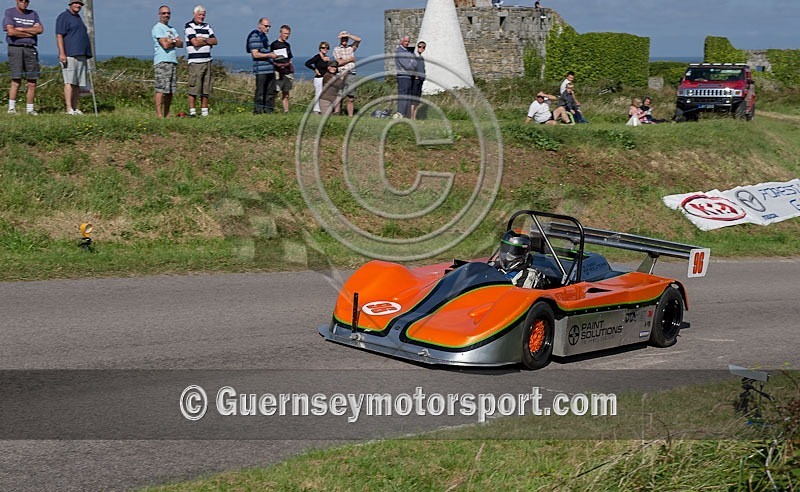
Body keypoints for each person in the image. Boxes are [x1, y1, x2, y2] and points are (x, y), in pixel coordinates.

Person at [4, 0, 43, 115]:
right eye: (21, 0)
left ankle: (30, 109)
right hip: (15, 48)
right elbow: (11, 32)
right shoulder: (9, 12)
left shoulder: (33, 14)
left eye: (26, 1)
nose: (24, 2)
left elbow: (40, 30)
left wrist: (21, 29)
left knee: (32, 80)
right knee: (16, 79)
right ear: (17, 1)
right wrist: (31, 32)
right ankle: (11, 108)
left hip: (30, 48)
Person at [56, 0, 92, 116]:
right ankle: (69, 108)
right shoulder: (64, 16)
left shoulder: (77, 18)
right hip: (69, 54)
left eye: (80, 4)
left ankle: (75, 107)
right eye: (76, 3)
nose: (78, 6)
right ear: (70, 4)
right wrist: (62, 53)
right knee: (69, 82)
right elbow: (59, 35)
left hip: (81, 54)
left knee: (77, 83)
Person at [184, 5, 217, 117]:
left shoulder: (207, 26)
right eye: (200, 14)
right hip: (195, 61)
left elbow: (215, 41)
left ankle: (204, 111)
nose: (202, 17)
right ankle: (192, 112)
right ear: (194, 14)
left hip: (207, 60)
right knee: (194, 87)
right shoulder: (189, 26)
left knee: (206, 87)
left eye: (203, 15)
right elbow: (195, 43)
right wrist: (208, 41)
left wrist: (204, 40)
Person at [152, 5, 183, 118]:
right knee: (161, 89)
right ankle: (159, 114)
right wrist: (174, 41)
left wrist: (172, 41)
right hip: (162, 61)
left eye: (168, 13)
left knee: (170, 90)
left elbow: (181, 44)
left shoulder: (172, 29)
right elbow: (165, 45)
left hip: (172, 61)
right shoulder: (157, 28)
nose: (166, 15)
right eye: (164, 13)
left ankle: (167, 113)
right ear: (159, 14)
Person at [247, 17, 277, 114]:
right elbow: (255, 54)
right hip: (261, 70)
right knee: (260, 91)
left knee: (270, 92)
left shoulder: (264, 37)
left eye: (269, 26)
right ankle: (258, 111)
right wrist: (269, 55)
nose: (268, 28)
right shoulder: (255, 36)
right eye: (266, 26)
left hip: (269, 68)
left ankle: (268, 111)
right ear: (260, 25)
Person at [332, 30, 360, 117]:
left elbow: (358, 40)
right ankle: (337, 113)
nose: (344, 40)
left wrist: (348, 35)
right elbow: (339, 62)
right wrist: (350, 60)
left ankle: (350, 116)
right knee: (339, 95)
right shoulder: (336, 49)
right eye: (343, 38)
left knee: (351, 96)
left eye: (346, 38)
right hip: (341, 73)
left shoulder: (351, 48)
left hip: (351, 72)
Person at [270, 25, 293, 113]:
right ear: (280, 33)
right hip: (278, 71)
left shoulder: (287, 45)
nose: (286, 36)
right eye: (285, 33)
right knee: (276, 91)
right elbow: (271, 57)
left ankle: (286, 110)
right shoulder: (274, 44)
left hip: (287, 71)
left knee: (286, 93)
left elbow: (290, 58)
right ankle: (270, 109)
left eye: (288, 34)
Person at [304, 41, 331, 114]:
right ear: (320, 48)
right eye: (323, 47)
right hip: (319, 78)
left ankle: (324, 109)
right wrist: (314, 69)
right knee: (318, 94)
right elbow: (307, 63)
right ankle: (316, 110)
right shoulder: (317, 57)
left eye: (327, 48)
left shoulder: (327, 58)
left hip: (326, 78)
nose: (325, 49)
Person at [394, 35, 416, 118]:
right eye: (406, 41)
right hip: (403, 76)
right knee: (403, 94)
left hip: (409, 76)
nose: (407, 43)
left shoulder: (407, 52)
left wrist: (412, 62)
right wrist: (412, 62)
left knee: (408, 95)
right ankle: (400, 112)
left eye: (408, 41)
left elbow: (414, 63)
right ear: (401, 41)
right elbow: (407, 65)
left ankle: (405, 113)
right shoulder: (399, 51)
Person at [410, 41, 426, 120]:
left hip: (420, 80)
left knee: (417, 99)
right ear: (417, 47)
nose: (421, 48)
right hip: (416, 80)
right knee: (413, 99)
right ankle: (411, 116)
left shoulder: (421, 58)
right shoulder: (413, 56)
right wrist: (415, 75)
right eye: (420, 46)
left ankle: (414, 117)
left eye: (423, 47)